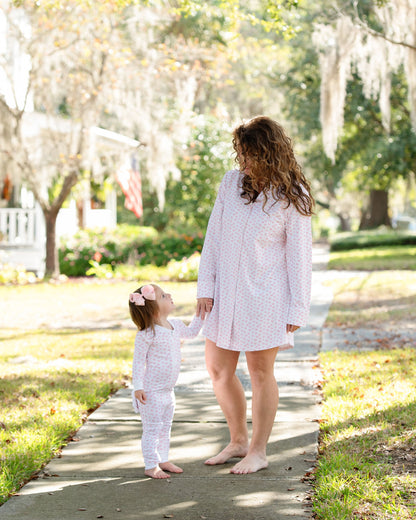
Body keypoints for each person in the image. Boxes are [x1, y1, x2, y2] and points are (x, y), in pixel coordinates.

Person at [196, 115, 314, 474]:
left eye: (249, 155)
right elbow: (213, 238)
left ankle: (259, 451)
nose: (242, 163)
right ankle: (237, 440)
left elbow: (299, 257)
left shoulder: (293, 196)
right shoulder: (231, 183)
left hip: (266, 295)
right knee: (217, 368)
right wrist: (205, 287)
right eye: (240, 154)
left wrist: (297, 308)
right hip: (224, 294)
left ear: (269, 153)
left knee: (260, 372)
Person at [130, 283, 203, 479]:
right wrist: (138, 388)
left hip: (168, 391)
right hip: (151, 392)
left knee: (165, 428)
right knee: (152, 429)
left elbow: (192, 332)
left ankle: (163, 459)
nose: (169, 295)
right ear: (152, 309)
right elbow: (138, 363)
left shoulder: (176, 325)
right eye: (163, 296)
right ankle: (151, 464)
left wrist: (201, 314)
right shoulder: (146, 334)